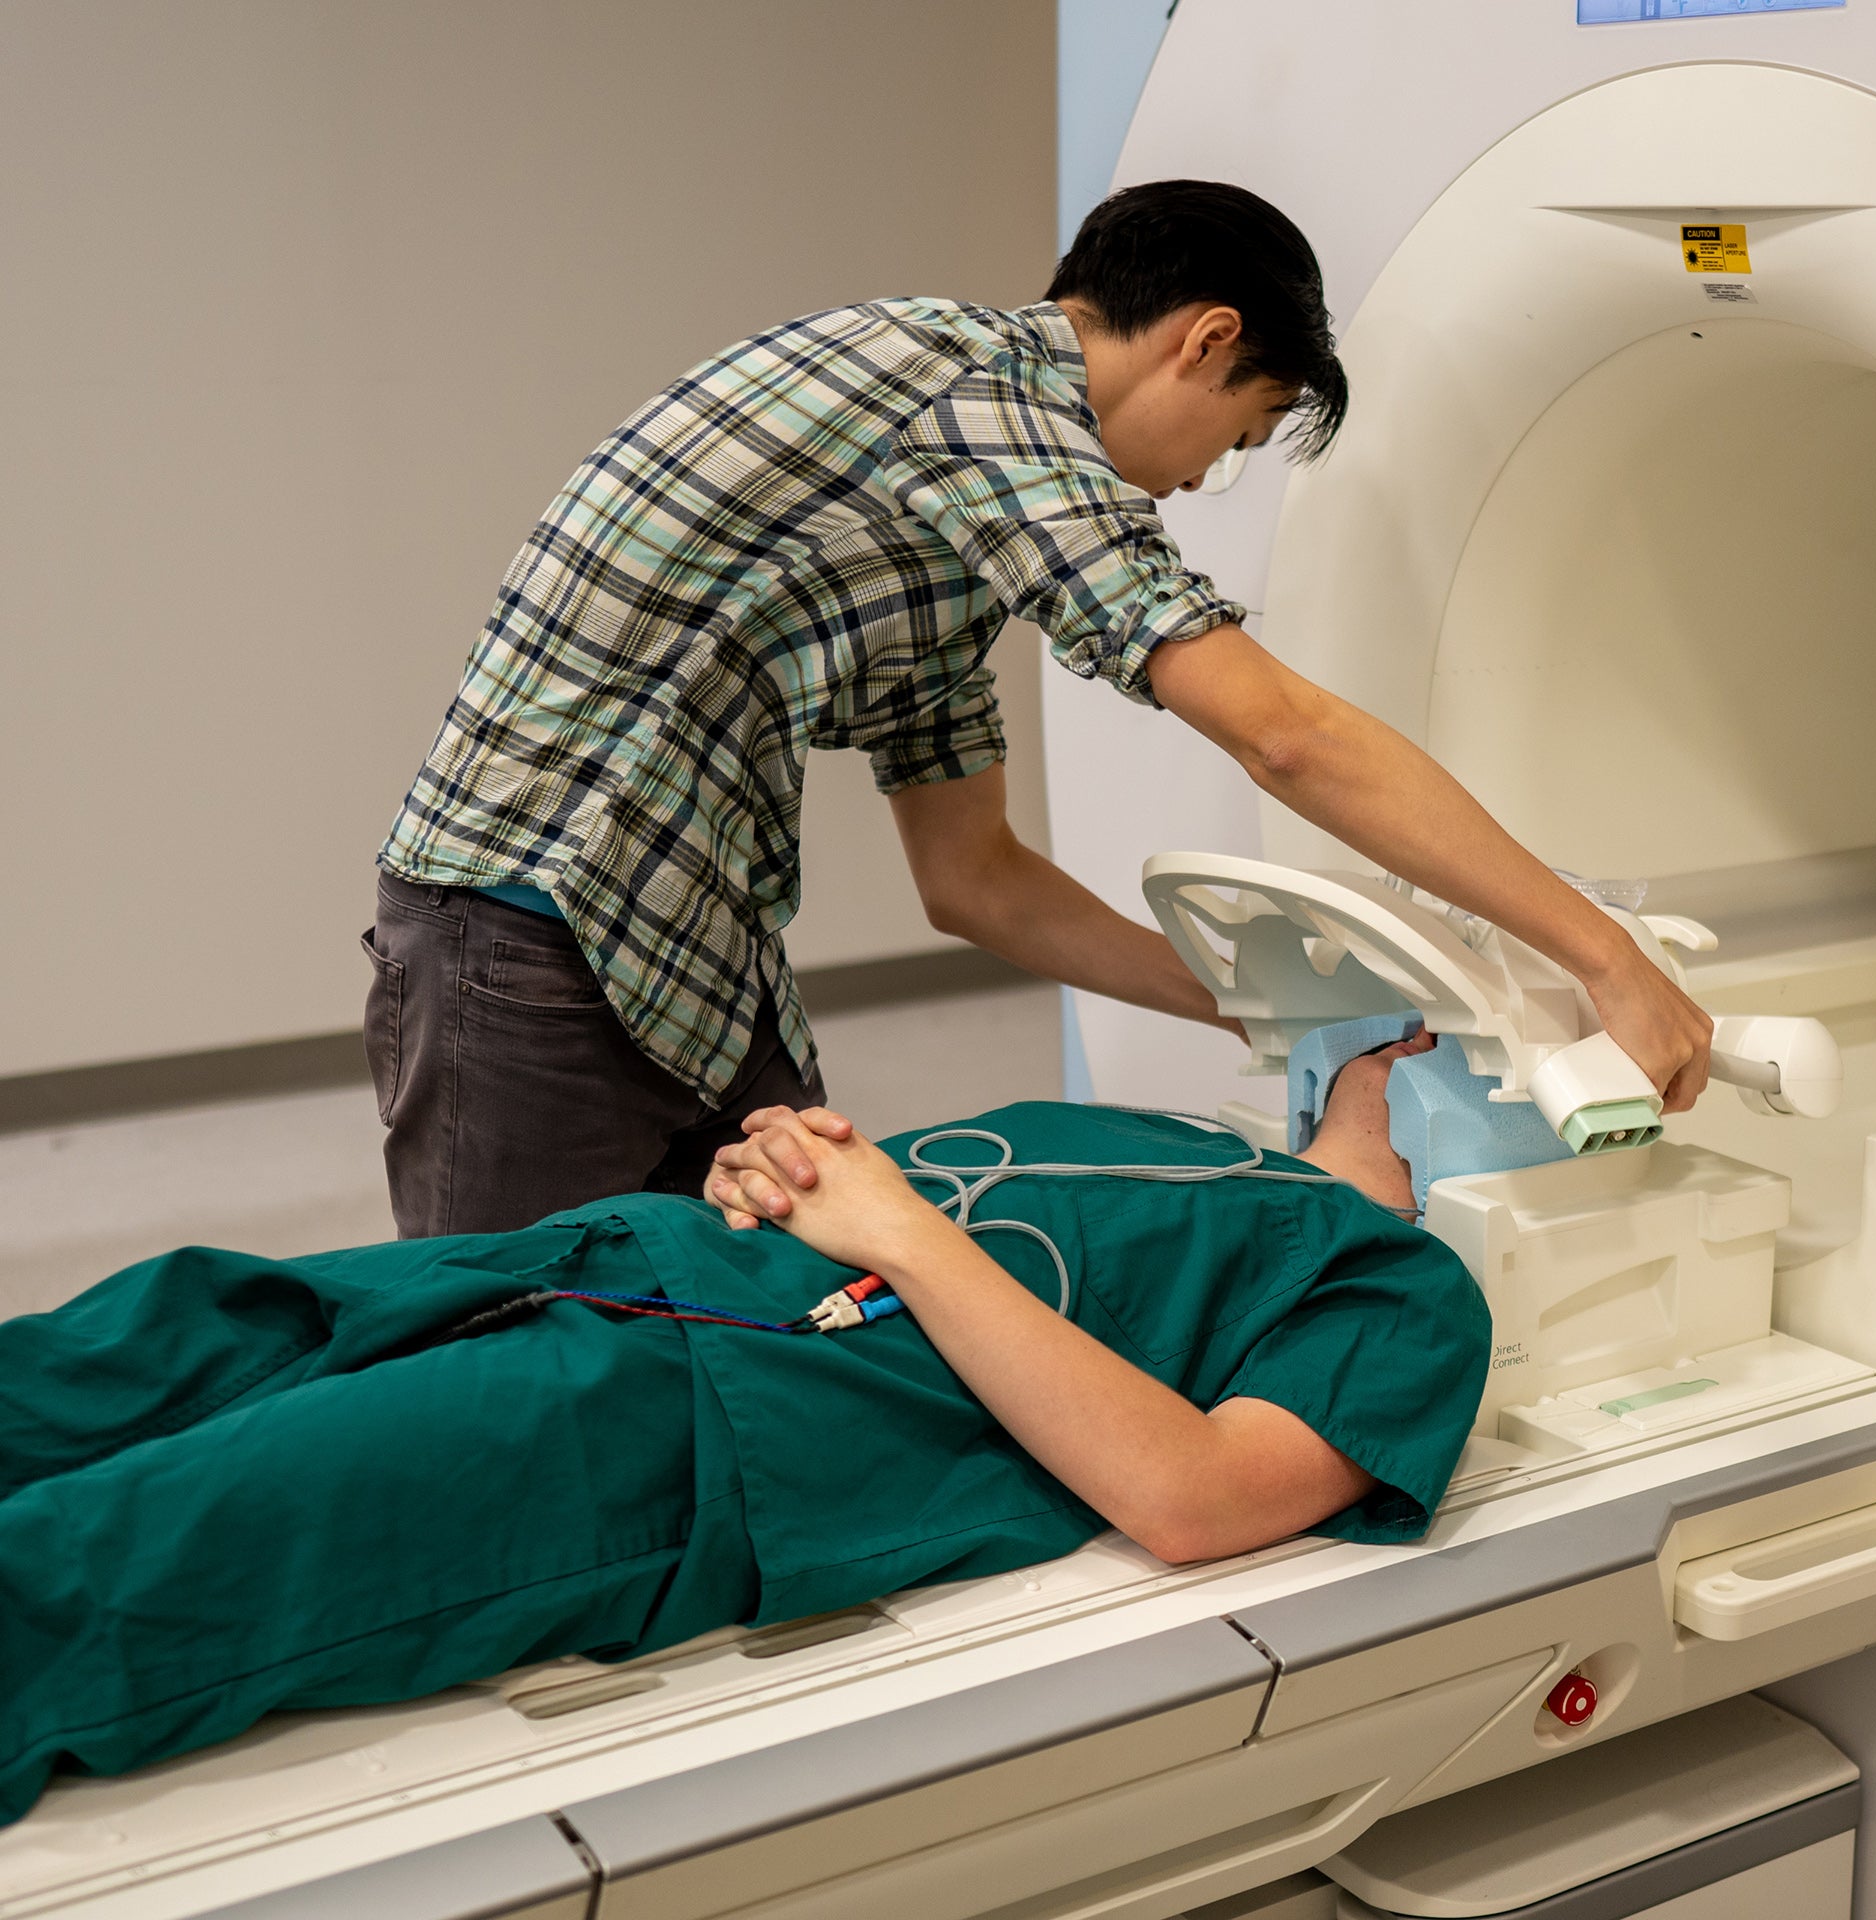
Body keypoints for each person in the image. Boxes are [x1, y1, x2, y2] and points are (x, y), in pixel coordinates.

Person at [367, 178, 1715, 1238]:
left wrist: (1293, 1014)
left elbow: (977, 884)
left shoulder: (953, 533)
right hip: (527, 926)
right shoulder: (977, 393)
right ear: (1207, 341)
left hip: (693, 959)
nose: (1201, 486)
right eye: (1239, 440)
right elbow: (1282, 731)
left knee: (771, 1320)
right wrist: (1604, 957)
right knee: (501, 1364)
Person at [0, 1039, 1481, 1826]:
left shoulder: (1411, 1286)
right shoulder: (1196, 1135)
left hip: (698, 1422)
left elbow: (1195, 1497)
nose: (1414, 1030)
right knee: (117, 1354)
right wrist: (779, 1174)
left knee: (125, 1551)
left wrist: (897, 1230)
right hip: (604, 1262)